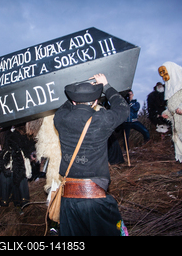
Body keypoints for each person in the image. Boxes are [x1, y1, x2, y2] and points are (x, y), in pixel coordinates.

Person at [53, 73, 129, 236]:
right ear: (95, 102)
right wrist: (106, 86)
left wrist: (77, 90)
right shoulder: (102, 119)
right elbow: (122, 108)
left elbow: (65, 107)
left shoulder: (60, 118)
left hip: (68, 200)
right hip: (95, 199)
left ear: (73, 101)